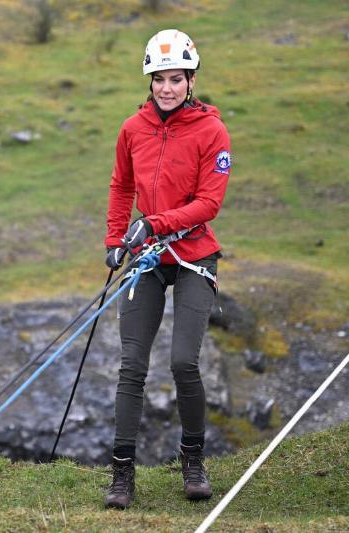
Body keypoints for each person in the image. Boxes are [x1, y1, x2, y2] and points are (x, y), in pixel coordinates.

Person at [102, 29, 231, 509]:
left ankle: (193, 459)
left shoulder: (212, 131)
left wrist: (152, 223)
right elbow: (121, 186)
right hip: (148, 260)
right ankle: (121, 474)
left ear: (191, 79)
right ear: (150, 81)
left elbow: (209, 203)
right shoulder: (132, 129)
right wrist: (116, 240)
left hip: (194, 257)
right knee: (132, 364)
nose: (167, 88)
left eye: (176, 78)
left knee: (183, 362)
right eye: (159, 79)